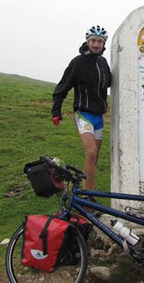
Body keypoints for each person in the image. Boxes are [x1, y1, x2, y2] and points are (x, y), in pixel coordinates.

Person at [51, 25, 111, 192]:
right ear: (87, 42)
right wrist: (56, 111)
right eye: (93, 41)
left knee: (94, 158)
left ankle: (89, 193)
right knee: (91, 153)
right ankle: (86, 196)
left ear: (103, 43)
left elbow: (111, 83)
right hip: (83, 114)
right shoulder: (78, 63)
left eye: (100, 41)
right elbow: (63, 86)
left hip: (99, 117)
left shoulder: (103, 63)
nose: (96, 44)